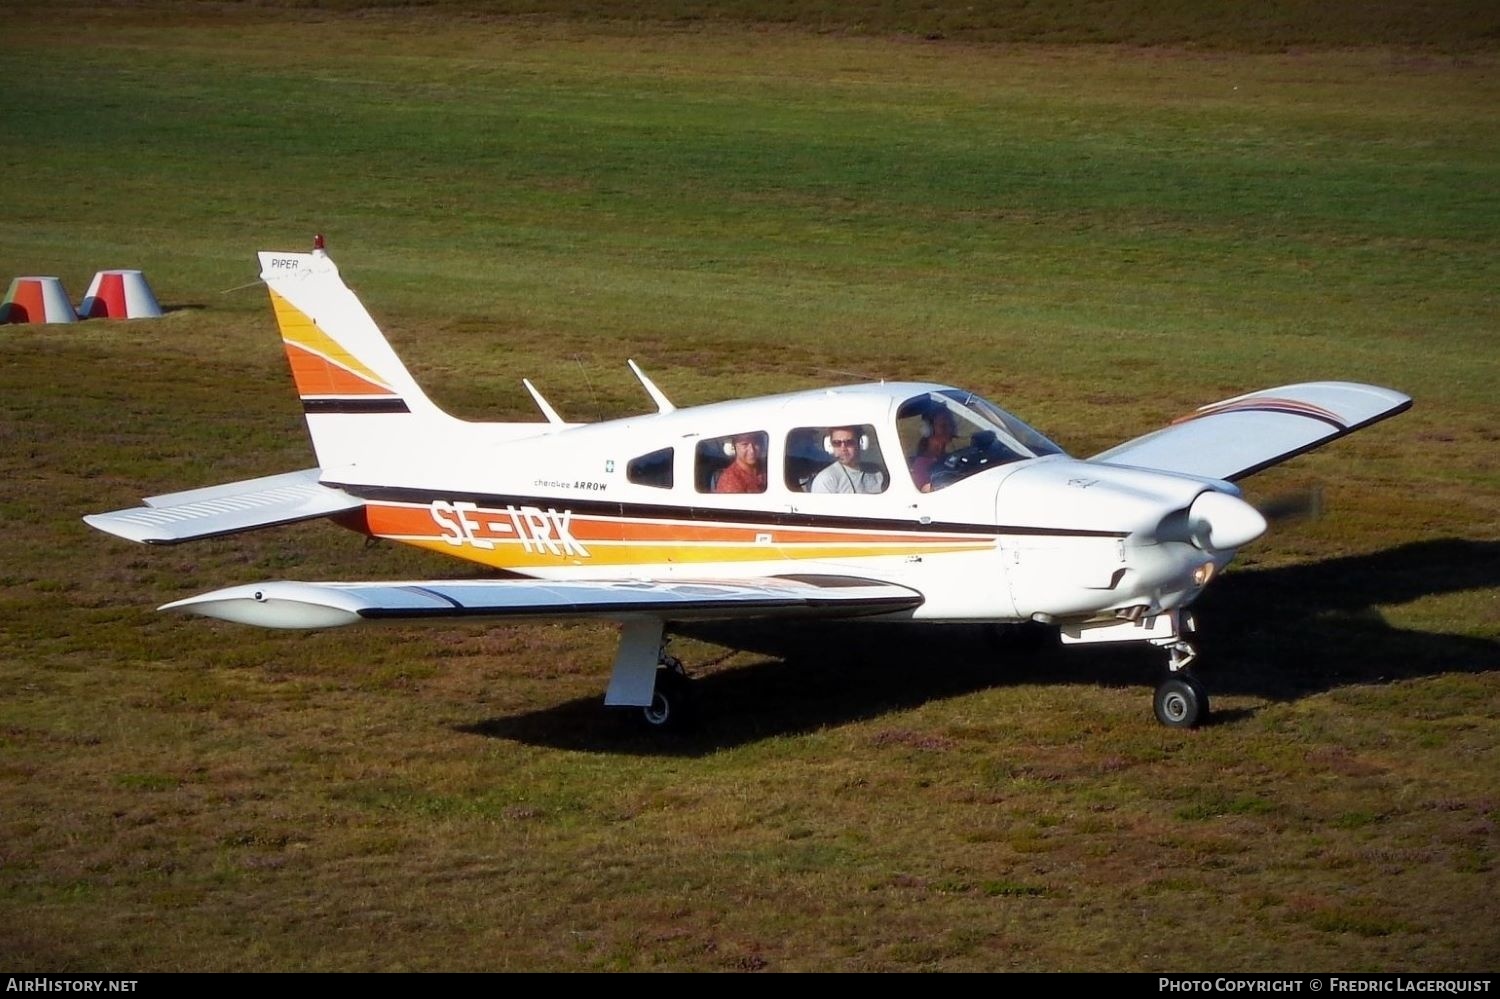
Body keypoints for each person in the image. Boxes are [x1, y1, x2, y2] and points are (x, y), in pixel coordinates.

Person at [810, 427, 885, 494]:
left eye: (849, 442)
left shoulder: (877, 472)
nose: (843, 448)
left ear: (860, 443)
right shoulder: (826, 480)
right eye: (837, 443)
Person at [910, 409, 956, 492]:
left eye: (951, 425)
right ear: (929, 430)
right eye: (943, 426)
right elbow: (927, 493)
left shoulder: (949, 457)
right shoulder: (921, 466)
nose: (949, 430)